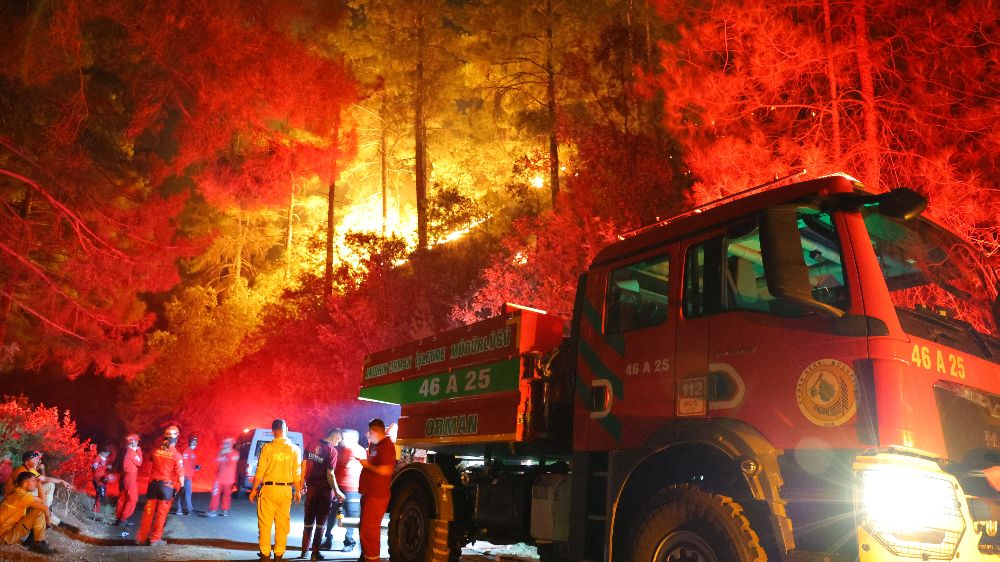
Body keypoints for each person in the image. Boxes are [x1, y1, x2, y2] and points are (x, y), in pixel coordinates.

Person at [250, 419, 302, 561]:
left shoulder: (267, 448)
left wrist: (254, 490)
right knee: (282, 525)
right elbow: (297, 473)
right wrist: (297, 491)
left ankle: (265, 555)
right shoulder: (295, 449)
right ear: (287, 429)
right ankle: (279, 555)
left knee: (265, 524)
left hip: (268, 490)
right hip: (285, 491)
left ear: (273, 431)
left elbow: (259, 472)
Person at [300, 429, 345, 560]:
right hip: (325, 491)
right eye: (338, 441)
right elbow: (330, 474)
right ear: (333, 438)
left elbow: (303, 464)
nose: (337, 444)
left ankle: (304, 551)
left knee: (308, 520)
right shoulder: (332, 451)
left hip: (311, 488)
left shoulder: (312, 444)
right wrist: (337, 491)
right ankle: (315, 553)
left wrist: (302, 482)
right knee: (321, 522)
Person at [135, 426, 184, 546]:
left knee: (148, 511)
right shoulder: (176, 455)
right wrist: (181, 487)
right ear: (176, 438)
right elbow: (180, 474)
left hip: (153, 486)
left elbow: (152, 459)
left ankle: (141, 537)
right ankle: (155, 539)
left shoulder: (156, 451)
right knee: (161, 514)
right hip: (166, 487)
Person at [358, 419, 396, 562]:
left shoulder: (386, 446)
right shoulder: (376, 445)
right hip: (369, 494)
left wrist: (366, 465)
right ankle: (366, 556)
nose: (368, 434)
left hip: (377, 495)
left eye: (370, 431)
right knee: (365, 530)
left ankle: (372, 559)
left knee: (370, 532)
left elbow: (386, 470)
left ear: (375, 430)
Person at [322, 428, 365, 552]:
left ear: (353, 438)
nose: (342, 440)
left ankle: (349, 542)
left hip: (353, 490)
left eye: (345, 437)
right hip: (337, 488)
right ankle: (328, 539)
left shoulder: (359, 451)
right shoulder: (339, 450)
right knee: (331, 515)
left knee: (350, 518)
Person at [3, 450, 72, 526]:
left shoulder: (30, 469)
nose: (37, 460)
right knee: (42, 503)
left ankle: (46, 511)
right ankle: (50, 517)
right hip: (16, 497)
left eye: (37, 459)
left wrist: (62, 481)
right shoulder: (22, 471)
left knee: (50, 485)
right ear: (27, 462)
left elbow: (44, 479)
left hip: (23, 493)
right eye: (35, 459)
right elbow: (27, 488)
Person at [0, 471, 56, 555]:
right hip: (5, 537)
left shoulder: (17, 491)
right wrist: (48, 523)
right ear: (25, 483)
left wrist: (38, 484)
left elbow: (42, 500)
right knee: (39, 511)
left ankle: (38, 542)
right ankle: (38, 543)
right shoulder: (23, 497)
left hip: (4, 532)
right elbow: (44, 506)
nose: (35, 483)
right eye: (33, 481)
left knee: (35, 510)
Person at [205, 437, 239, 517]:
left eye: (227, 443)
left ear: (231, 444)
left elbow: (231, 462)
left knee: (226, 495)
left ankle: (225, 510)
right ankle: (213, 510)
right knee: (215, 494)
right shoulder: (221, 452)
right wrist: (221, 453)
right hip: (219, 479)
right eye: (225, 443)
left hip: (229, 479)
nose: (225, 445)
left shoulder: (235, 453)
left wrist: (227, 454)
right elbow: (215, 462)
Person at [114, 434, 143, 526]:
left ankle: (118, 516)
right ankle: (123, 518)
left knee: (123, 497)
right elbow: (139, 462)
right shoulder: (131, 453)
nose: (138, 443)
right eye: (137, 442)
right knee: (133, 499)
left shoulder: (126, 451)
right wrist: (139, 450)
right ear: (133, 442)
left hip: (125, 477)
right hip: (130, 478)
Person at [174, 436, 200, 515]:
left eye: (195, 442)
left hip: (188, 476)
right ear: (189, 442)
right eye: (193, 442)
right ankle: (188, 510)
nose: (194, 443)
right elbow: (184, 464)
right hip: (185, 476)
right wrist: (184, 475)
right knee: (185, 492)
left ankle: (180, 510)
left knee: (183, 493)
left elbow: (190, 465)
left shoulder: (192, 452)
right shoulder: (186, 452)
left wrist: (195, 468)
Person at [90, 446, 111, 515]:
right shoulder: (97, 458)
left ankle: (96, 510)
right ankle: (96, 510)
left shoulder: (104, 459)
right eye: (107, 453)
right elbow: (95, 468)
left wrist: (106, 476)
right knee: (101, 494)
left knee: (100, 493)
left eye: (108, 453)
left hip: (101, 478)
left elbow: (101, 469)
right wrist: (105, 467)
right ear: (103, 452)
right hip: (97, 478)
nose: (107, 455)